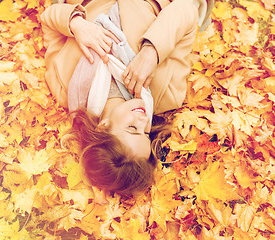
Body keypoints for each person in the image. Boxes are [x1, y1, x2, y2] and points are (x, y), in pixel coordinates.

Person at [40, 0, 214, 196]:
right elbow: (185, 11)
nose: (143, 121)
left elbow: (48, 19)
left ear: (104, 126)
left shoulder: (66, 87)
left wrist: (76, 24)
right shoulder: (167, 94)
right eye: (145, 133)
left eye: (133, 129)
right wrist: (152, 52)